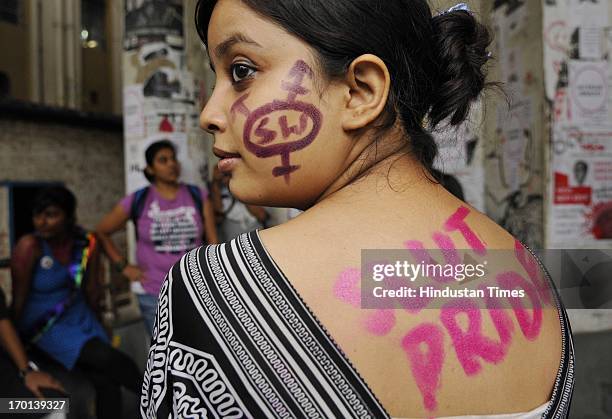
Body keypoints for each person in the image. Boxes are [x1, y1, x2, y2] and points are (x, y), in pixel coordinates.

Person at [140, 1, 574, 418]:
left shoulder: (217, 291)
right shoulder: (529, 280)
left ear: (360, 91)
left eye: (241, 71)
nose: (209, 114)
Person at [11, 186, 142, 419]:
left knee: (106, 380)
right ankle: (163, 404)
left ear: (69, 217)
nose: (42, 222)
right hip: (45, 325)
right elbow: (18, 297)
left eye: (51, 214)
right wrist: (16, 343)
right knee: (112, 360)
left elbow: (91, 289)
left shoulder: (85, 244)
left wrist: (100, 325)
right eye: (37, 215)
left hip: (79, 316)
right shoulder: (30, 246)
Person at [96, 139, 218, 334]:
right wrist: (124, 267)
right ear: (150, 169)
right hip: (154, 293)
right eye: (163, 160)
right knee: (165, 355)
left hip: (194, 289)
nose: (172, 164)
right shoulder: (139, 199)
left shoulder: (197, 195)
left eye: (173, 159)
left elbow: (212, 242)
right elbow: (101, 231)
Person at [210, 165, 269, 241]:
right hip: (231, 242)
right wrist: (216, 182)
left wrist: (240, 189)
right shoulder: (218, 189)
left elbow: (261, 215)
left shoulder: (255, 186)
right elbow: (218, 216)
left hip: (256, 240)